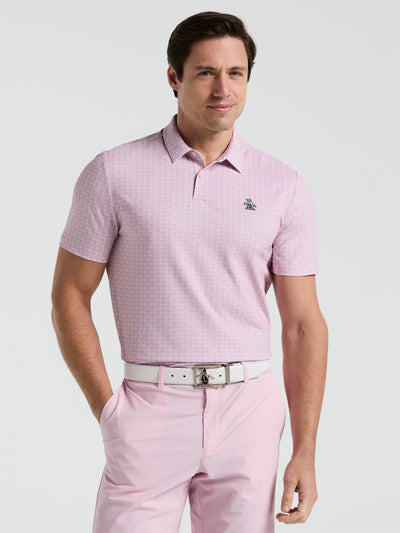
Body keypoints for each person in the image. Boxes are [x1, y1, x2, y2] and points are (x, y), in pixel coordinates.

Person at [51, 10, 328, 533]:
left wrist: (305, 449)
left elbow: (303, 324)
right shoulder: (113, 173)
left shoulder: (282, 186)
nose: (223, 88)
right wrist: (108, 409)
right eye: (205, 72)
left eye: (236, 73)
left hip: (249, 411)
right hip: (149, 406)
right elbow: (69, 292)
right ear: (174, 77)